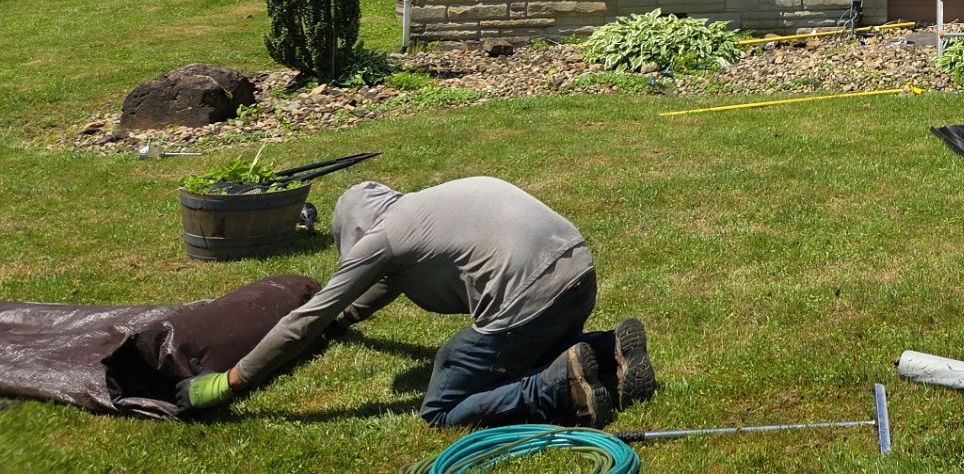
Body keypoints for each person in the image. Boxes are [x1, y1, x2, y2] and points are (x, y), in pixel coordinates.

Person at [175, 177, 654, 429]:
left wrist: (232, 381)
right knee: (532, 342)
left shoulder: (383, 239)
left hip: (530, 301)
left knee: (443, 408)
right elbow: (391, 284)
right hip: (578, 275)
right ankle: (611, 350)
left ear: (355, 235)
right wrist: (347, 320)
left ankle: (556, 390)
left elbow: (305, 318)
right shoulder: (425, 207)